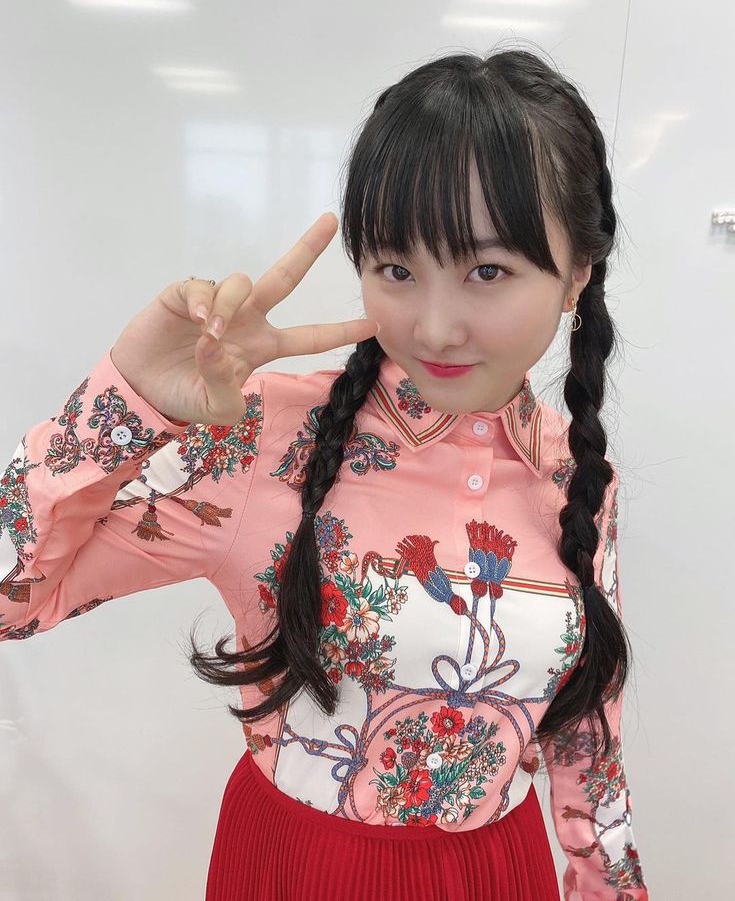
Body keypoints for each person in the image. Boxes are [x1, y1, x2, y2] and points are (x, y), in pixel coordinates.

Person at [0, 48, 649, 900]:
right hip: (299, 869)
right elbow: (14, 600)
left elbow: (587, 749)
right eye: (396, 269)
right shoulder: (265, 436)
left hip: (495, 872)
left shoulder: (576, 474)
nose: (435, 326)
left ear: (577, 274)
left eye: (486, 271)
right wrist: (128, 399)